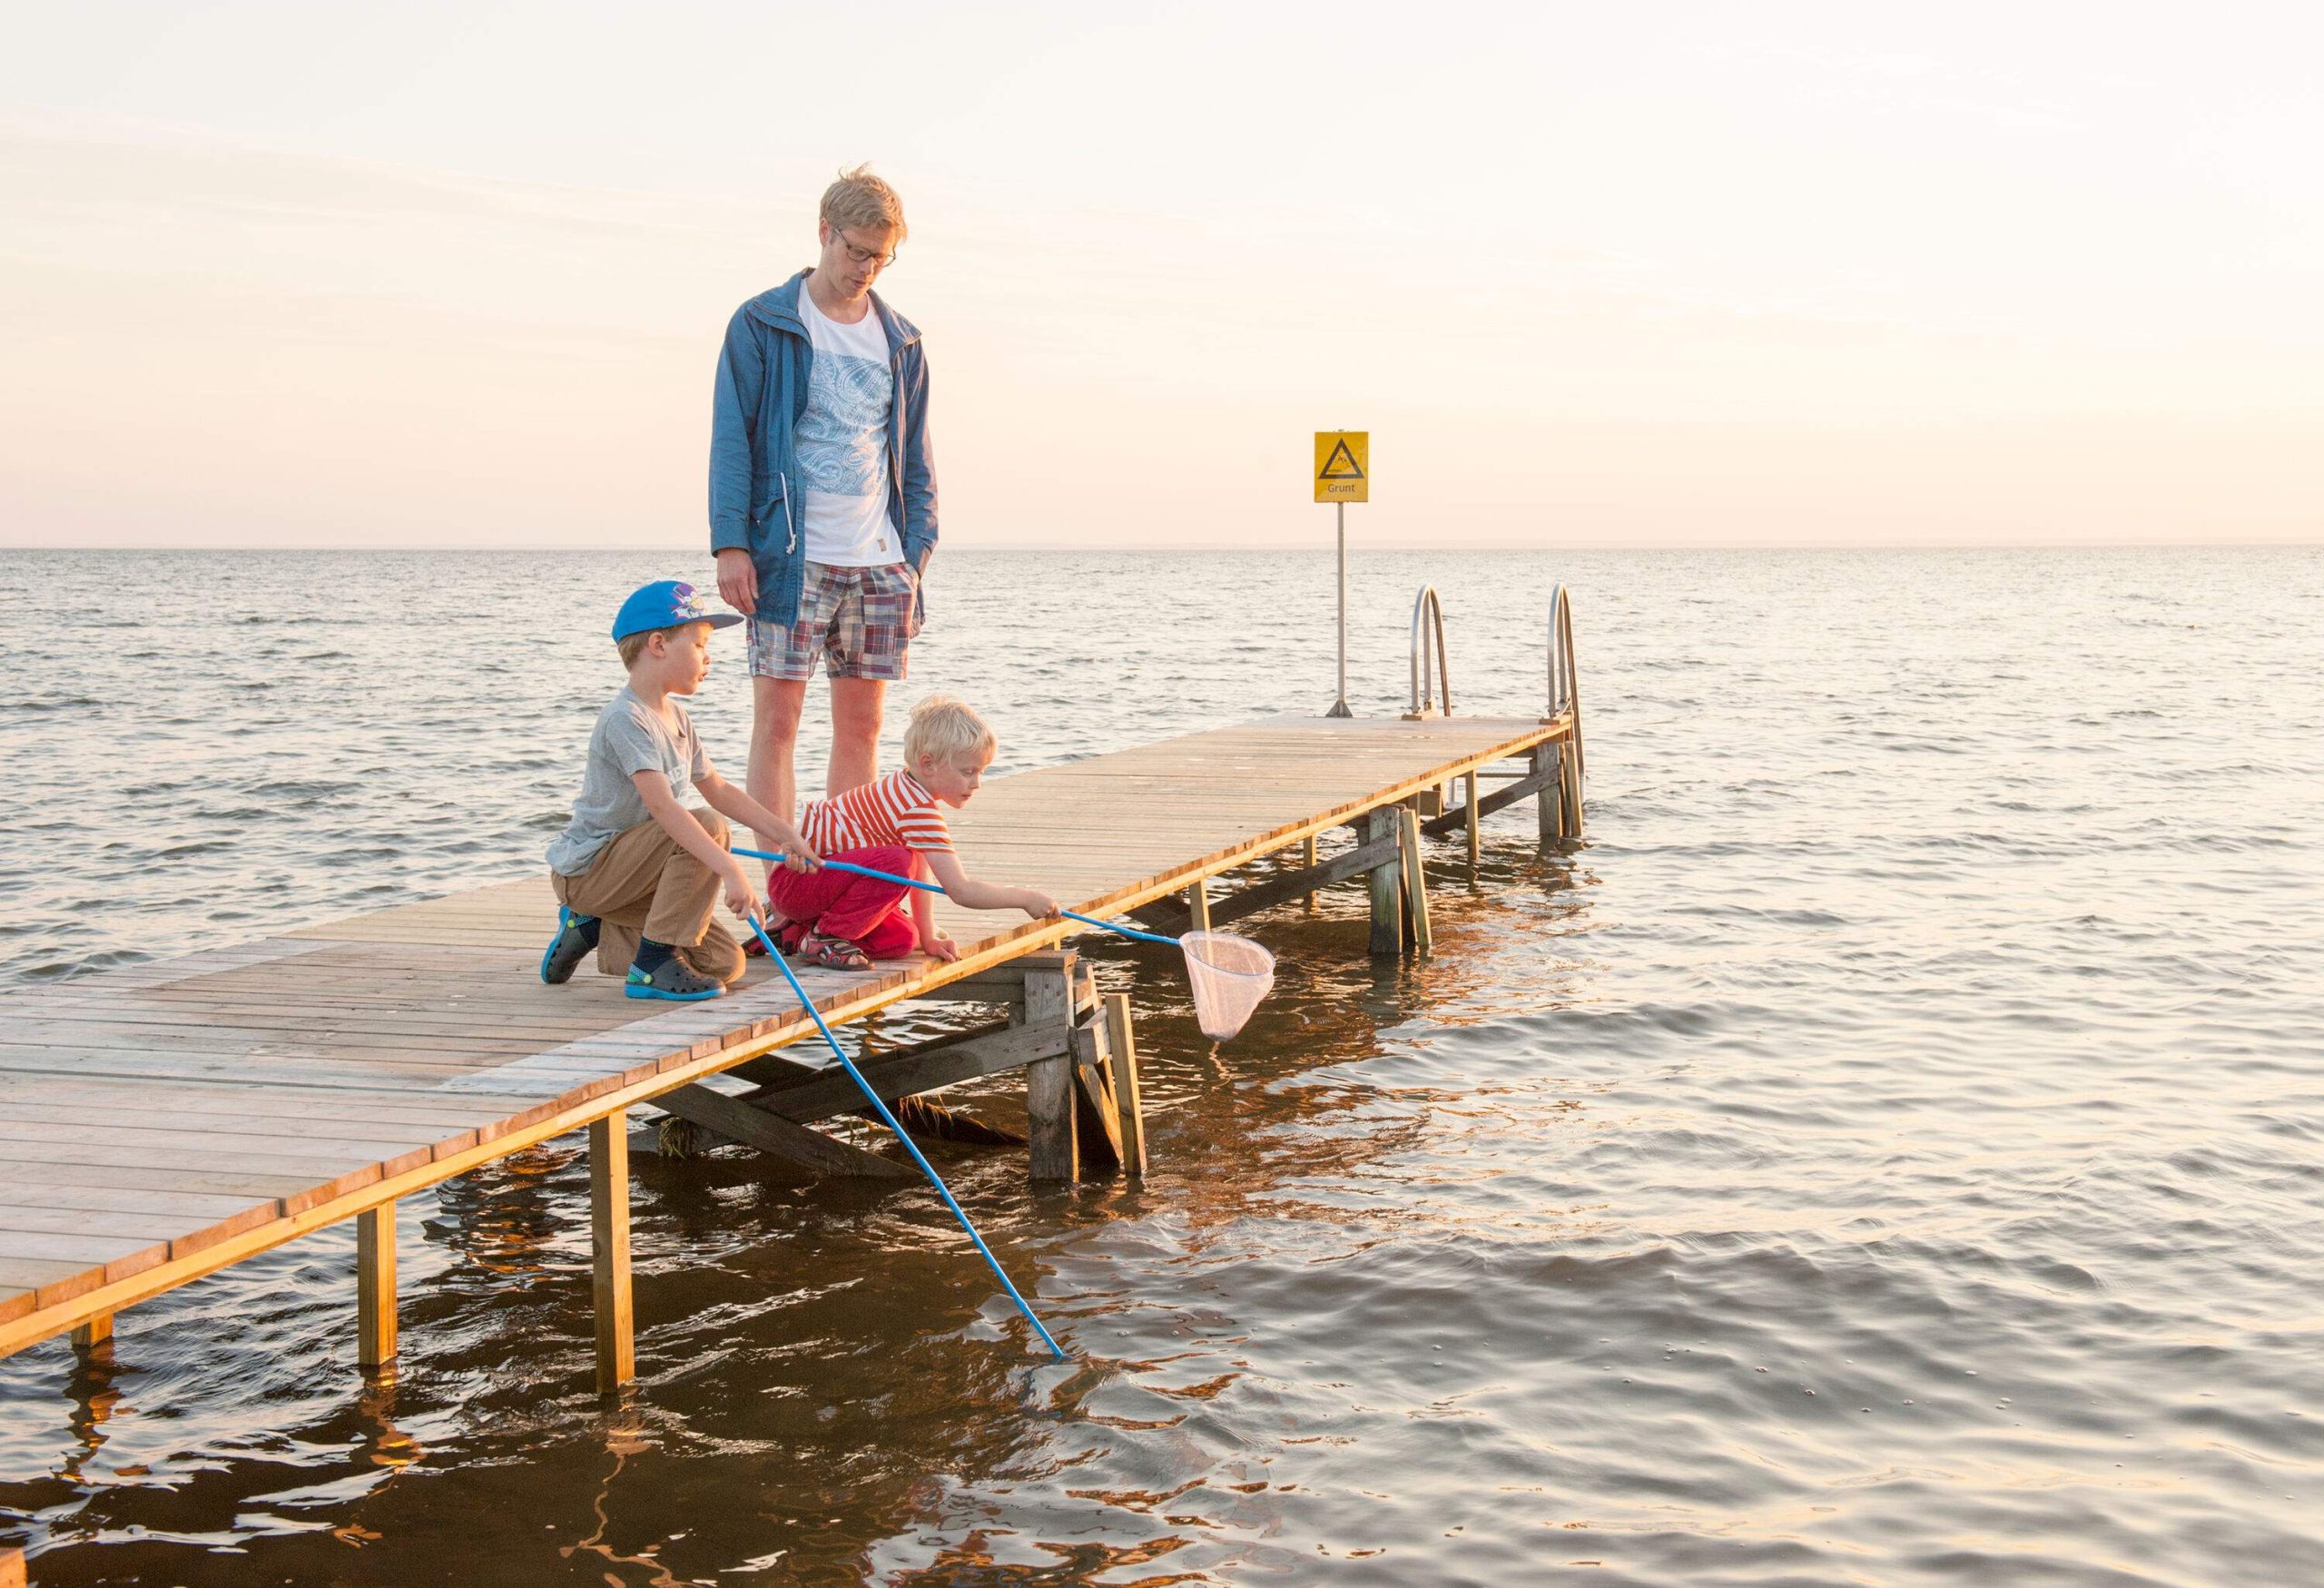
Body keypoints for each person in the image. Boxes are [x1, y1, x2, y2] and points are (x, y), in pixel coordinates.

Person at [708, 164, 936, 862]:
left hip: (880, 560)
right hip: (789, 557)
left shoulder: (902, 340)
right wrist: (731, 544)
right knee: (777, 722)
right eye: (856, 250)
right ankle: (784, 881)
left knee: (862, 730)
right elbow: (732, 439)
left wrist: (915, 553)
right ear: (824, 233)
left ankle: (838, 879)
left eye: (881, 255)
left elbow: (917, 458)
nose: (866, 267)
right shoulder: (764, 322)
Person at [541, 580, 815, 1002]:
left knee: (726, 963)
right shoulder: (626, 718)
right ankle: (649, 966)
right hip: (592, 870)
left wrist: (785, 834)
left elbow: (719, 789)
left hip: (637, 874)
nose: (709, 658)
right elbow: (664, 807)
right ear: (657, 644)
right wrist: (729, 870)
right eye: (701, 644)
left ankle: (592, 924)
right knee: (707, 825)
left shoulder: (678, 719)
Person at [766, 695, 1058, 972]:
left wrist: (928, 936)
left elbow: (921, 874)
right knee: (896, 861)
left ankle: (798, 931)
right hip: (795, 883)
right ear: (928, 764)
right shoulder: (915, 808)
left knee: (904, 938)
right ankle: (825, 937)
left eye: (980, 772)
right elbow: (960, 890)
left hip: (813, 888)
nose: (977, 783)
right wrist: (1025, 898)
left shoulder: (906, 788)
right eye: (968, 772)